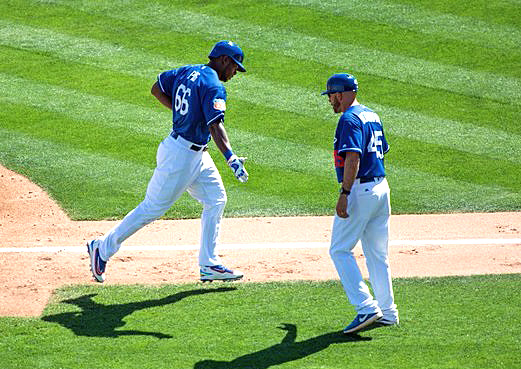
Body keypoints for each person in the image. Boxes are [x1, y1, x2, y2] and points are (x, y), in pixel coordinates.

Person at [87, 40, 249, 283]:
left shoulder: (188, 71)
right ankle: (103, 247)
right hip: (180, 158)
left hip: (193, 154)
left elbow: (156, 88)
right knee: (152, 208)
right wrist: (231, 158)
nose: (235, 72)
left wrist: (181, 112)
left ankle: (209, 264)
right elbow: (215, 125)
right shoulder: (214, 85)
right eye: (234, 66)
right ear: (224, 60)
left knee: (216, 199)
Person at [321, 73, 399, 334]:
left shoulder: (350, 118)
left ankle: (366, 307)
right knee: (378, 255)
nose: (330, 100)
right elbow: (381, 150)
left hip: (360, 190)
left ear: (340, 94)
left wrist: (345, 192)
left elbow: (353, 157)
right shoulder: (371, 115)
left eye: (331, 95)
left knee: (339, 250)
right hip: (381, 188)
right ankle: (388, 312)